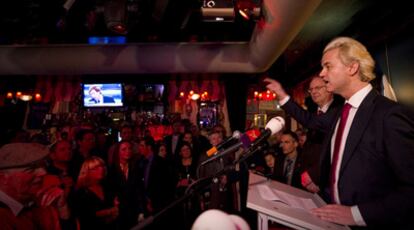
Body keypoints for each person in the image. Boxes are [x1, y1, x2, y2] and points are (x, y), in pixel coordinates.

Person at [264, 36, 414, 228]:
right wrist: (320, 177)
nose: (322, 73)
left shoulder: (388, 115)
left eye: (328, 66)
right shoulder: (340, 112)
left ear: (352, 68)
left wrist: (356, 214)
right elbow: (339, 155)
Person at [0, 143, 70, 230]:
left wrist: (62, 209)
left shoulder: (35, 202)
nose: (43, 172)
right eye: (30, 169)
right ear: (3, 178)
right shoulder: (3, 217)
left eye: (42, 166)